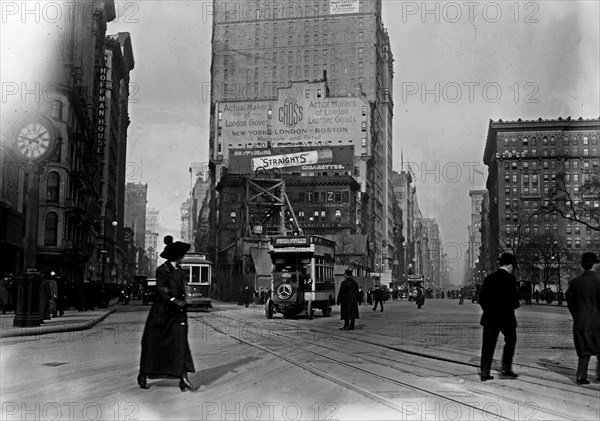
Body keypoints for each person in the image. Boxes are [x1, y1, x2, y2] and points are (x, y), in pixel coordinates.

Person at [138, 236, 197, 391]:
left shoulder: (181, 272)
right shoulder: (162, 270)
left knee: (180, 344)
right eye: (182, 255)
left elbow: (183, 290)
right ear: (176, 256)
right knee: (153, 346)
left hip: (177, 314)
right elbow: (162, 288)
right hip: (161, 313)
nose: (183, 258)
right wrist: (173, 299)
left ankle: (183, 378)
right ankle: (143, 374)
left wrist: (185, 299)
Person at [478, 253, 520, 381]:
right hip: (506, 318)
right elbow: (514, 302)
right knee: (511, 340)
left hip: (490, 317)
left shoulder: (489, 278)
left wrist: (489, 310)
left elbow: (481, 299)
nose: (513, 269)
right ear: (509, 265)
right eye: (513, 266)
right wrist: (513, 306)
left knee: (488, 345)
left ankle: (485, 372)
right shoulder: (511, 280)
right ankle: (506, 368)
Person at [565, 252, 600, 385]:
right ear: (594, 265)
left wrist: (577, 315)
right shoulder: (598, 281)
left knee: (583, 351)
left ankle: (581, 376)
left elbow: (570, 300)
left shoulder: (574, 282)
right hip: (596, 321)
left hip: (579, 322)